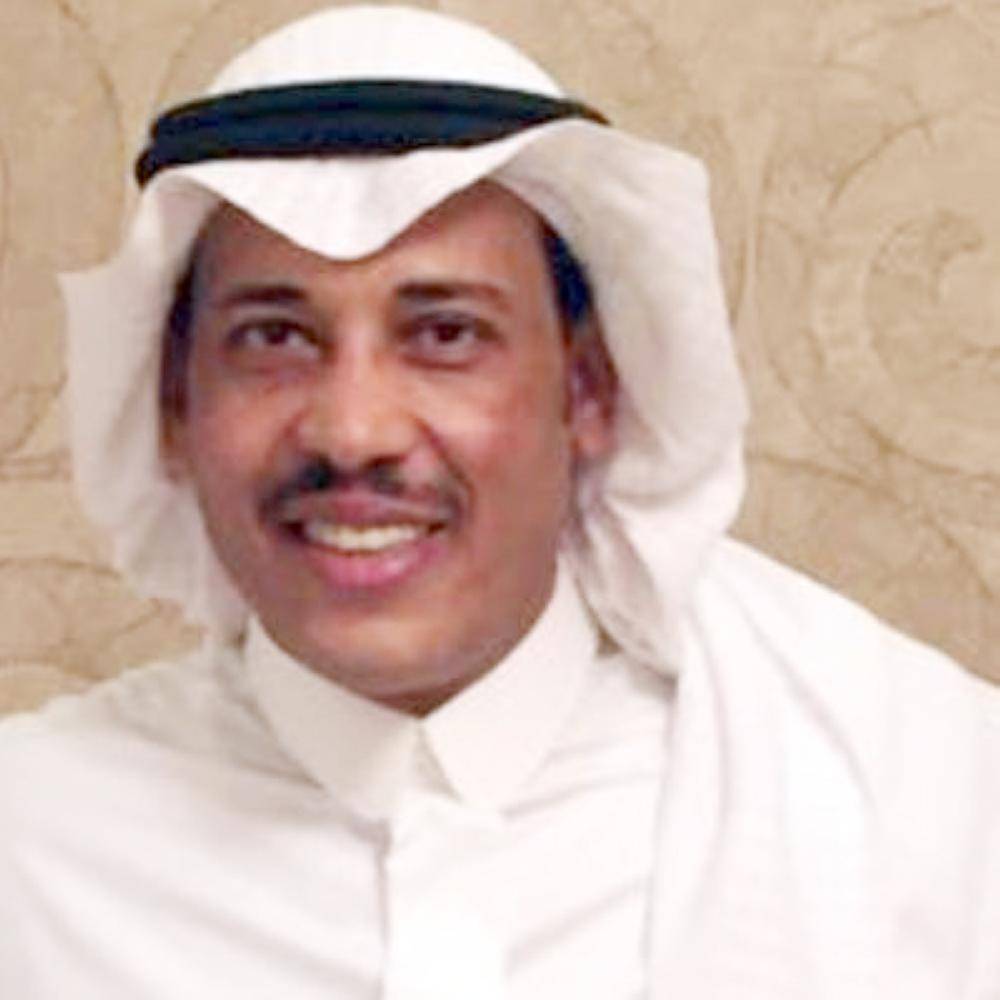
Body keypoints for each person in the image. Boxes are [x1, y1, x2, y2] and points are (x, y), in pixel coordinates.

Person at [2, 5, 998, 997]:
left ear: (589, 391)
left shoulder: (928, 816)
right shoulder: (32, 853)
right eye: (275, 338)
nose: (354, 430)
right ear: (175, 406)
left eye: (445, 334)